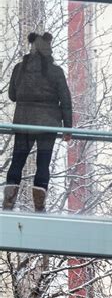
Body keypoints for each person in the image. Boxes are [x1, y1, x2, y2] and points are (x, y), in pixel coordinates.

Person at [3, 32, 72, 213]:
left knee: (17, 160)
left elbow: (12, 95)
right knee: (43, 162)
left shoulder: (19, 68)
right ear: (48, 50)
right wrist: (68, 127)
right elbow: (65, 100)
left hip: (23, 120)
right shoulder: (56, 72)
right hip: (47, 123)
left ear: (32, 48)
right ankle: (39, 205)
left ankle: (9, 201)